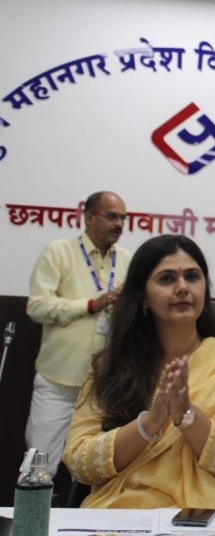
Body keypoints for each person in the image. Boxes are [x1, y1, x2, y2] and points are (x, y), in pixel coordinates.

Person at [62, 234, 215, 508]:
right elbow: (79, 462)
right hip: (126, 511)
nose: (183, 287)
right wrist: (149, 424)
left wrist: (187, 415)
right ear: (142, 296)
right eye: (167, 279)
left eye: (192, 277)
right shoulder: (110, 367)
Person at [25, 191, 132, 476]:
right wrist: (90, 305)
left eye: (123, 218)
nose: (119, 224)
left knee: (97, 467)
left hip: (106, 385)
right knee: (39, 465)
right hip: (59, 381)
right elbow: (37, 307)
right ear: (88, 217)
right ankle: (35, 506)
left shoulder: (128, 260)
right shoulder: (57, 252)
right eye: (111, 216)